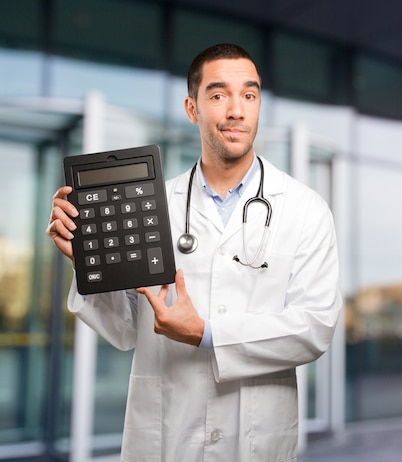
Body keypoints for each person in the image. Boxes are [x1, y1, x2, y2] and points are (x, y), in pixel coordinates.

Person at [46, 43, 342, 461]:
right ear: (192, 108)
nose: (236, 110)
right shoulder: (152, 207)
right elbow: (126, 328)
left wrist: (206, 334)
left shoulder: (305, 209)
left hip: (256, 440)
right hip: (168, 438)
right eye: (219, 95)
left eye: (249, 95)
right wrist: (90, 262)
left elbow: (314, 327)